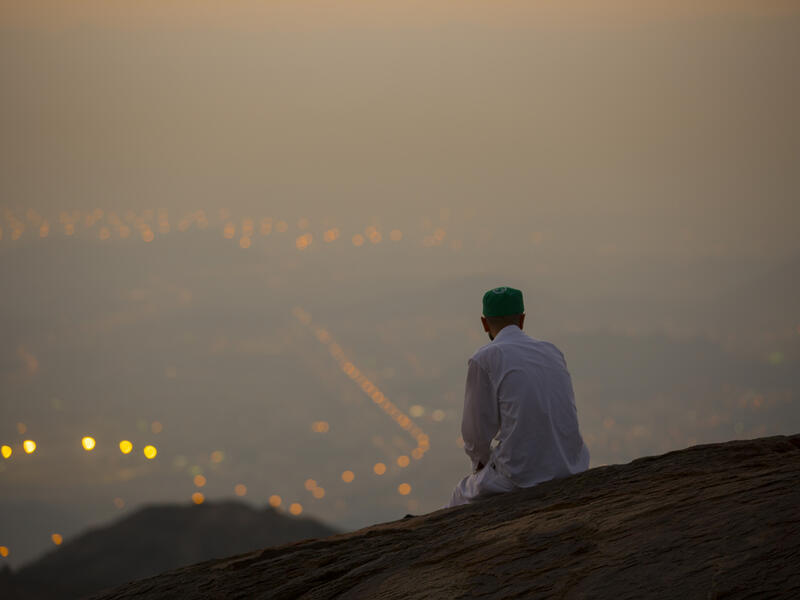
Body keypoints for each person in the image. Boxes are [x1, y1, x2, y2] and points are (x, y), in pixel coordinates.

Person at [447, 286, 590, 507]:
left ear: (484, 323)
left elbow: (476, 434)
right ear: (522, 319)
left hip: (522, 477)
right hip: (573, 466)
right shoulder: (552, 351)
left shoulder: (485, 358)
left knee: (460, 494)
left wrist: (481, 465)